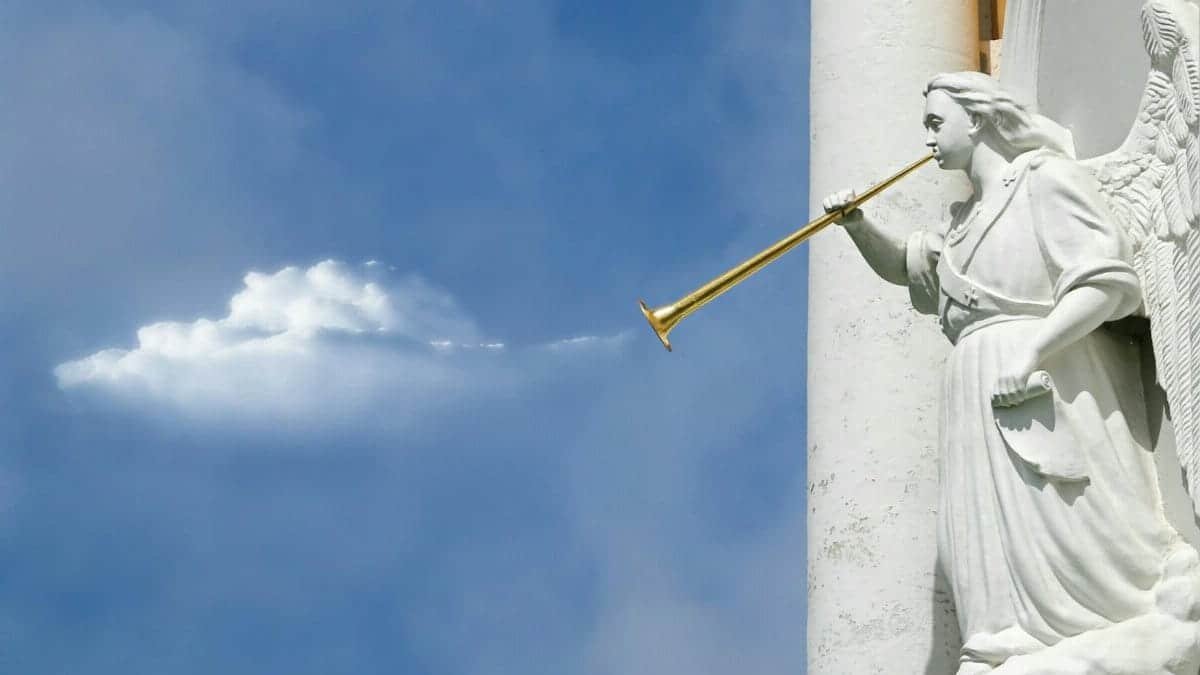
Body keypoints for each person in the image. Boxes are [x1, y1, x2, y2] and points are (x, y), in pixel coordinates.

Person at [823, 71, 1200, 673]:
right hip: (974, 388)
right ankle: (1003, 644)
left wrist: (1031, 353)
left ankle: (1118, 620)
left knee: (1066, 514)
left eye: (934, 123)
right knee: (982, 539)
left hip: (1044, 374)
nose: (927, 140)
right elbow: (910, 270)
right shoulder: (963, 219)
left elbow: (1106, 282)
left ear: (977, 119)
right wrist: (858, 226)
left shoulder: (1044, 183)